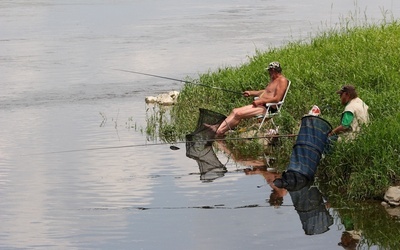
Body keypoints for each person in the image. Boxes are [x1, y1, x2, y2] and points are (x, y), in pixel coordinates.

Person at [209, 61, 289, 137]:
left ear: (273, 70)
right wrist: (251, 93)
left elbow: (277, 99)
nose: (268, 73)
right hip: (261, 105)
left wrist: (261, 101)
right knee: (235, 111)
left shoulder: (282, 80)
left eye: (269, 71)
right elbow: (265, 92)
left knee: (239, 114)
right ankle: (218, 130)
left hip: (268, 108)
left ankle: (220, 132)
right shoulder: (273, 80)